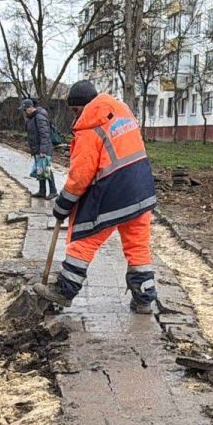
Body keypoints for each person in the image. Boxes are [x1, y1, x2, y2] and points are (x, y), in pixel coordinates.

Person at [35, 80, 158, 314]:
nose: (75, 116)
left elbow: (80, 176)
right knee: (138, 245)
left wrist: (63, 205)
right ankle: (144, 299)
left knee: (85, 237)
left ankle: (65, 291)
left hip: (114, 191)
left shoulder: (90, 125)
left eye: (75, 110)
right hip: (142, 188)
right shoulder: (121, 112)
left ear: (83, 106)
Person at [21, 98, 58, 199]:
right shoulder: (31, 118)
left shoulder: (39, 117)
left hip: (43, 149)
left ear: (30, 107)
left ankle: (53, 191)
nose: (24, 112)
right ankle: (42, 191)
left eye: (25, 109)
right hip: (37, 148)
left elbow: (44, 134)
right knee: (40, 169)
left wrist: (43, 150)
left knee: (46, 169)